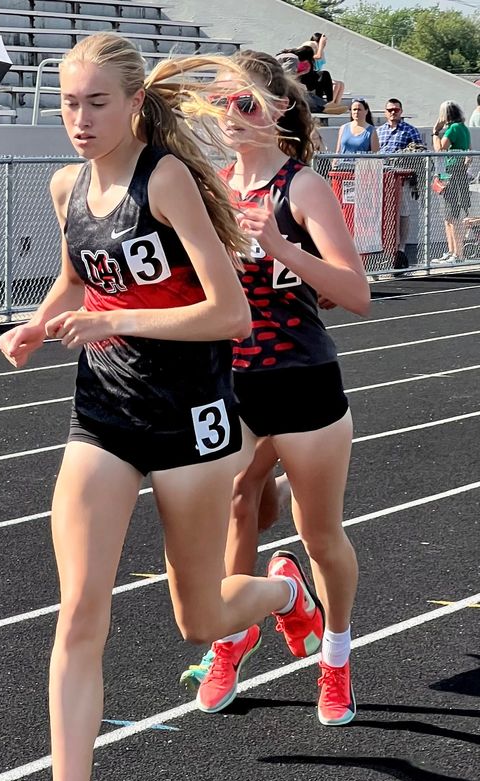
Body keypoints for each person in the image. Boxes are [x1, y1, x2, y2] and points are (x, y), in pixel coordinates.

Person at [0, 33, 326, 781]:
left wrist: (123, 322)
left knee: (200, 619)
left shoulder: (167, 179)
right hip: (104, 415)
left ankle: (283, 590)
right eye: (68, 104)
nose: (79, 119)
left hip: (193, 421)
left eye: (96, 103)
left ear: (135, 104)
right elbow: (80, 279)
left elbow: (232, 314)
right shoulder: (65, 188)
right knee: (78, 615)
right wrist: (40, 326)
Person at [181, 50, 370, 727]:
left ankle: (337, 658)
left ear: (281, 109)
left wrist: (284, 248)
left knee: (317, 535)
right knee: (233, 508)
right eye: (224, 102)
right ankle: (241, 632)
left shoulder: (302, 188)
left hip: (303, 382)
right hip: (232, 382)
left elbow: (357, 295)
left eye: (247, 102)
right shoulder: (213, 189)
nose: (232, 115)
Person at [377, 98, 424, 270]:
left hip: (401, 180)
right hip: (381, 177)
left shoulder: (409, 131)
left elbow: (419, 152)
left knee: (402, 212)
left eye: (396, 110)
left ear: (401, 112)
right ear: (385, 112)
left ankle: (401, 249)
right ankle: (384, 248)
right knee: (382, 214)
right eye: (389, 110)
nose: (393, 113)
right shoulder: (379, 131)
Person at [431, 101, 471, 264]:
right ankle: (452, 250)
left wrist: (435, 132)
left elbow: (441, 149)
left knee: (452, 215)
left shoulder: (453, 129)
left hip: (452, 173)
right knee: (449, 215)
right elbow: (468, 148)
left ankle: (457, 253)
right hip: (456, 172)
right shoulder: (463, 128)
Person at [306, 33, 344, 105]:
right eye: (323, 42)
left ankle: (336, 104)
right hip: (312, 78)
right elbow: (317, 57)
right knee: (336, 84)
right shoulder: (310, 51)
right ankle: (330, 103)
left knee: (341, 84)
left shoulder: (321, 52)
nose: (324, 44)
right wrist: (320, 46)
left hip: (319, 76)